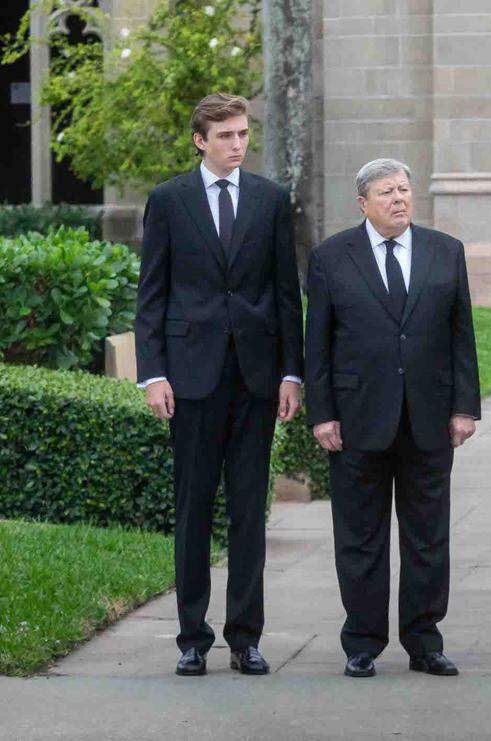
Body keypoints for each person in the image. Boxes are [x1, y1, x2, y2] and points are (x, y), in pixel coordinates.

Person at [134, 93, 303, 677]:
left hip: (256, 379)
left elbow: (286, 293)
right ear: (200, 140)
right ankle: (191, 638)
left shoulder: (272, 200)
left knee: (250, 512)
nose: (238, 144)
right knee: (194, 508)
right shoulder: (169, 200)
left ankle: (245, 637)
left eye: (243, 134)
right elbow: (151, 293)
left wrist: (290, 371)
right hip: (192, 378)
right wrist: (153, 373)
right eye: (226, 135)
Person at [304, 158, 481, 679]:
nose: (399, 198)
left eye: (404, 189)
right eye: (387, 192)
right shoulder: (332, 258)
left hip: (429, 418)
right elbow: (319, 345)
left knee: (428, 536)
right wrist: (322, 414)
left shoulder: (445, 252)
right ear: (363, 203)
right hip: (358, 420)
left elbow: (461, 337)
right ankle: (362, 641)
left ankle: (424, 640)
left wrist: (465, 406)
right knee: (360, 535)